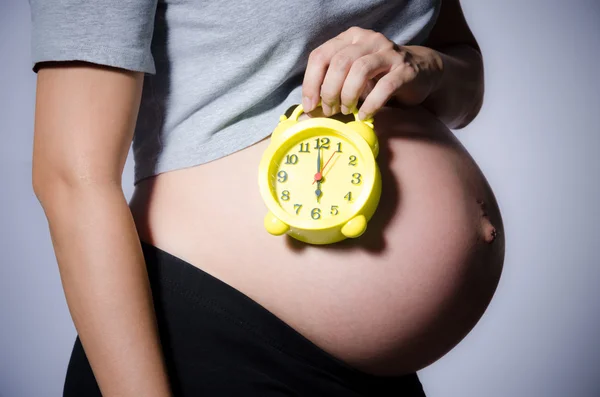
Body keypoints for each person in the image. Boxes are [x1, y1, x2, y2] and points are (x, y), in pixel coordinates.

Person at [29, 0, 504, 395]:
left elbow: (465, 80)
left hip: (376, 374)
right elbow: (72, 180)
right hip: (207, 347)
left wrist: (427, 66)